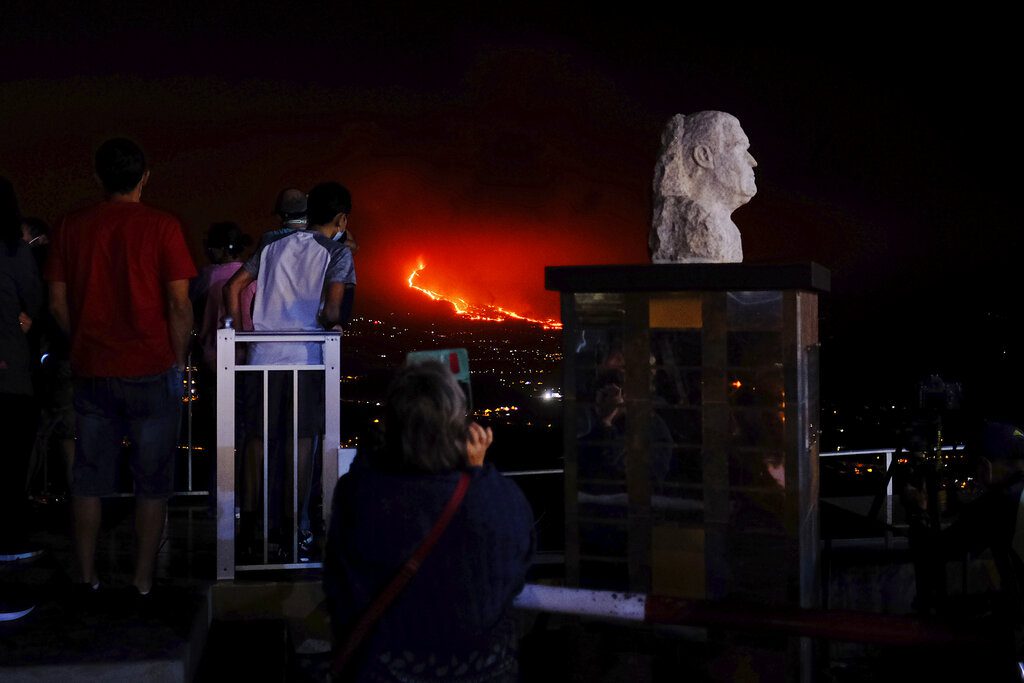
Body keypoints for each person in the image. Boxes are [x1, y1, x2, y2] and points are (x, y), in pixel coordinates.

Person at [45, 138, 196, 596]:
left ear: (98, 177)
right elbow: (178, 303)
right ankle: (143, 580)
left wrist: (84, 340)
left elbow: (55, 300)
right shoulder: (163, 227)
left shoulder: (72, 226)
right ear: (144, 177)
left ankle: (87, 575)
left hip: (92, 370)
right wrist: (178, 356)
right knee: (153, 483)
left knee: (88, 479)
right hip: (152, 367)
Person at [324, 360, 535, 682]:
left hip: (384, 671)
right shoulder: (501, 498)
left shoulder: (361, 496)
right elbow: (515, 576)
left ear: (394, 424)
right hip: (485, 672)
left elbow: (338, 584)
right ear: (458, 426)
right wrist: (476, 474)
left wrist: (370, 457)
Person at [224, 181, 356, 560]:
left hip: (262, 356)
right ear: (341, 218)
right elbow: (332, 311)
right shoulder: (337, 253)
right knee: (301, 445)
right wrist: (330, 321)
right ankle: (292, 530)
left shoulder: (270, 245)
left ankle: (249, 529)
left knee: (257, 440)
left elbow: (233, 288)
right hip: (307, 357)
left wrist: (244, 333)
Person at [1, 176, 45, 622]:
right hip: (9, 375)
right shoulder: (14, 253)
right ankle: (8, 543)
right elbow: (35, 298)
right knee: (10, 465)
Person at [650, 110, 758, 263]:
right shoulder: (698, 223)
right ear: (704, 156)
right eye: (740, 149)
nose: (753, 161)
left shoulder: (728, 230)